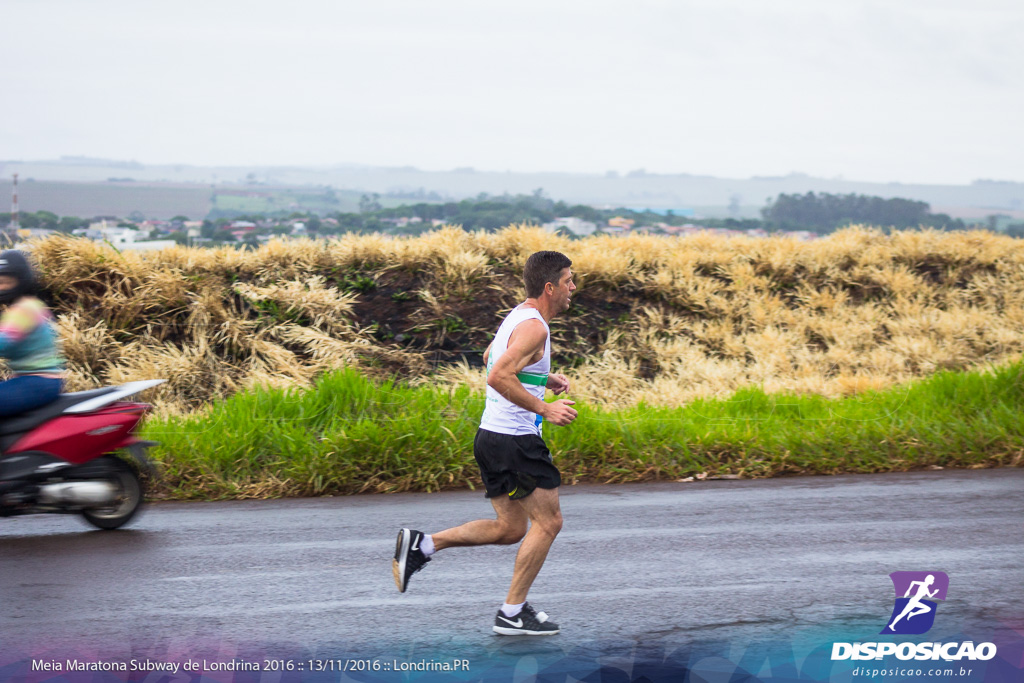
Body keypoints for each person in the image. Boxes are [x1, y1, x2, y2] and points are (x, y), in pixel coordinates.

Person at [393, 250, 578, 636]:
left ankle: (423, 545)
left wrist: (542, 379)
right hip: (515, 441)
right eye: (568, 281)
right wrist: (544, 407)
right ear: (550, 287)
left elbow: (489, 357)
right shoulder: (536, 328)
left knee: (510, 529)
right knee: (549, 522)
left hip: (491, 438)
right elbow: (496, 375)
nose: (572, 288)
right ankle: (512, 613)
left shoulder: (518, 315)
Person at [0, 250, 66, 419]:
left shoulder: (24, 309)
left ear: (20, 281)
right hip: (34, 381)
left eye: (6, 282)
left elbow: (4, 341)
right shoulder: (31, 305)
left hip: (37, 382)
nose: (2, 287)